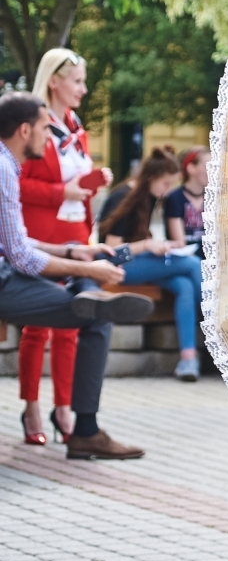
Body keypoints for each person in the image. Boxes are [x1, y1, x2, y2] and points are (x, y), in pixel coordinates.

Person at [0, 92, 153, 458]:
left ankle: (84, 288)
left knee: (82, 274)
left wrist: (73, 251)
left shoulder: (5, 164)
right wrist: (88, 267)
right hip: (4, 280)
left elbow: (13, 242)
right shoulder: (4, 167)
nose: (48, 138)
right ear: (24, 131)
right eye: (44, 129)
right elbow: (21, 256)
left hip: (6, 272)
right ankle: (85, 432)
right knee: (97, 316)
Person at [18, 49, 113, 445]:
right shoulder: (34, 127)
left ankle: (63, 408)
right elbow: (17, 183)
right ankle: (31, 406)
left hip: (77, 233)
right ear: (54, 81)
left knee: (74, 323)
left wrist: (92, 182)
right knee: (37, 326)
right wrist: (63, 191)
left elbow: (75, 185)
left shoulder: (77, 128)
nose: (83, 89)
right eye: (77, 81)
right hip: (43, 235)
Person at [98, 147, 203, 382]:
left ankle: (188, 359)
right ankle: (217, 329)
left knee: (184, 285)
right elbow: (112, 250)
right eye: (166, 183)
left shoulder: (148, 195)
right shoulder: (124, 197)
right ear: (151, 178)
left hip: (138, 263)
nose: (168, 190)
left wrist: (159, 245)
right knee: (193, 264)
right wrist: (147, 245)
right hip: (116, 267)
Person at [164, 146, 210, 259]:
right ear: (191, 168)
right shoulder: (175, 198)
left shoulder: (215, 198)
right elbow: (180, 243)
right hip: (186, 259)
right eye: (208, 166)